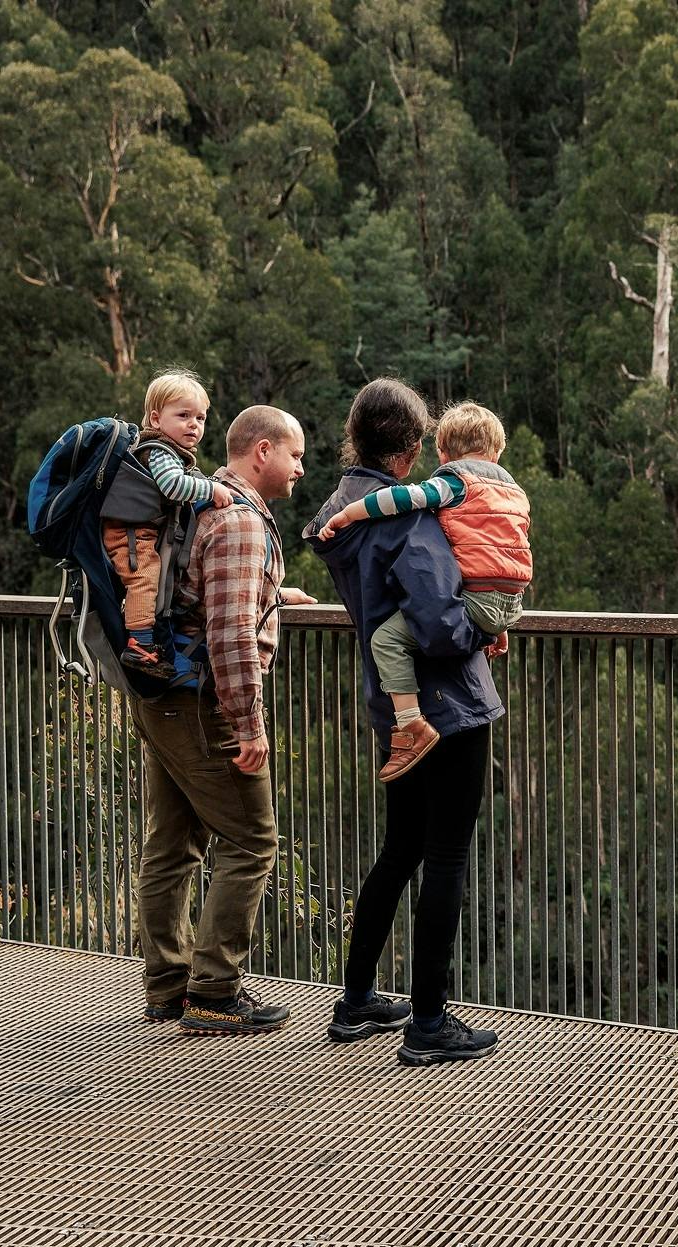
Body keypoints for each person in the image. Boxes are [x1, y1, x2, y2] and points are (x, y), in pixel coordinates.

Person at [304, 377, 505, 1066]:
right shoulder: (409, 519)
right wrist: (487, 629)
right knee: (445, 857)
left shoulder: (341, 506)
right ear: (412, 449)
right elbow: (443, 627)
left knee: (399, 850)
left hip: (392, 703)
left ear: (354, 437)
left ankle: (356, 1000)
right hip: (450, 705)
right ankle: (428, 1021)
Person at [134, 403, 315, 1035]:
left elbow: (212, 594)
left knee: (173, 841)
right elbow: (232, 637)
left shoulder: (197, 505)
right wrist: (249, 725)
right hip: (205, 700)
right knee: (251, 841)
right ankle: (213, 990)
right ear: (261, 452)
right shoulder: (238, 521)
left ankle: (166, 987)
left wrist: (273, 592)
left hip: (161, 690)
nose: (300, 468)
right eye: (294, 455)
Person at [316, 400, 531, 781]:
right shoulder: (512, 491)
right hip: (503, 606)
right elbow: (488, 563)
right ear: (499, 451)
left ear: (440, 451)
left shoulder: (450, 486)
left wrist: (351, 513)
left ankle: (410, 722)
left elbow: (402, 498)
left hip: (403, 694)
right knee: (449, 840)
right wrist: (495, 624)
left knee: (386, 641)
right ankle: (413, 724)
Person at [104, 369, 234, 677]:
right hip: (129, 533)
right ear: (156, 418)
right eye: (184, 415)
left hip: (139, 530)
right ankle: (140, 646)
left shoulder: (172, 452)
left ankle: (147, 641)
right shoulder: (160, 451)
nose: (193, 424)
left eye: (200, 418)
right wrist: (212, 489)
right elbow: (173, 487)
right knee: (144, 578)